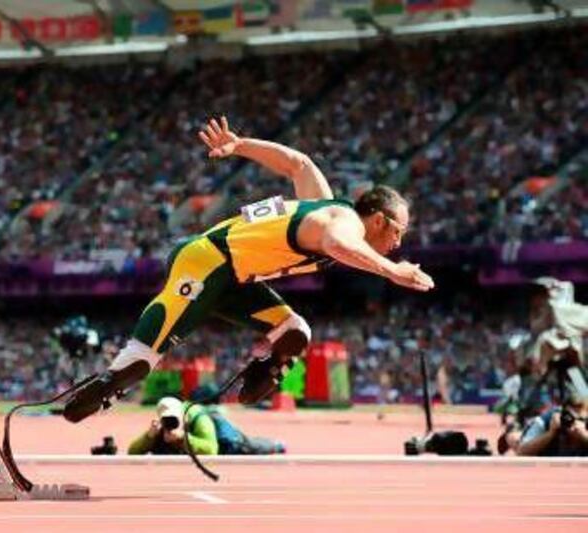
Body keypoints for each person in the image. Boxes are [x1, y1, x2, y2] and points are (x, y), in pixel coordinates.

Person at [64, 116, 434, 423]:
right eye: (398, 232)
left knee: (294, 331)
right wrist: (392, 271)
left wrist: (241, 145)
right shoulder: (346, 222)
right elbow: (339, 245)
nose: (399, 243)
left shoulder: (323, 205)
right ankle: (106, 383)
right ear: (380, 221)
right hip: (206, 260)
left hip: (235, 277)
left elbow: (298, 163)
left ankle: (259, 371)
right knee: (145, 356)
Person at [128, 396, 285, 456]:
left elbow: (211, 450)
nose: (171, 423)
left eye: (174, 419)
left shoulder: (199, 419)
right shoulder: (163, 424)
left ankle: (276, 445)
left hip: (223, 440)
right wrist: (149, 436)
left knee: (247, 447)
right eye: (166, 420)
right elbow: (132, 453)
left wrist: (184, 437)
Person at [516, 396, 588, 456]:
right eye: (570, 417)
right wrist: (550, 433)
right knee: (513, 437)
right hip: (545, 470)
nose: (574, 422)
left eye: (580, 419)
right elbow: (522, 452)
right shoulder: (546, 421)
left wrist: (584, 435)